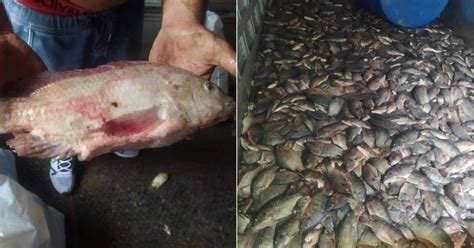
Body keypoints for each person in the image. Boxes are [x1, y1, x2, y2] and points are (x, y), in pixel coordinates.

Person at [0, 0, 236, 194]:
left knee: (116, 66)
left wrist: (181, 18)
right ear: (175, 87)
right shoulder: (169, 87)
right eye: (208, 87)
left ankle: (119, 142)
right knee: (50, 75)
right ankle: (62, 147)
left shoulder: (171, 87)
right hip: (43, 13)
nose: (212, 90)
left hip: (125, 11)